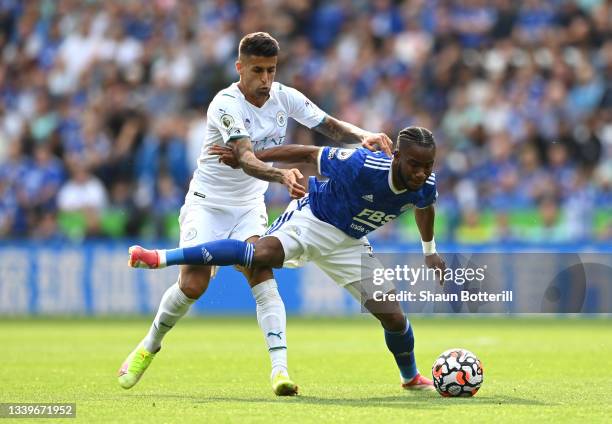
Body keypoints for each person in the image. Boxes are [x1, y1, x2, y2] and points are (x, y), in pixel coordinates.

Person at [118, 31, 392, 396]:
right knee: (193, 285)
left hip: (249, 207)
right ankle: (149, 345)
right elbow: (245, 158)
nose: (265, 80)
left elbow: (327, 125)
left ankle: (280, 372)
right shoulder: (225, 104)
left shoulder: (284, 97)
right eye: (258, 71)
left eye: (271, 71)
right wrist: (281, 175)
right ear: (240, 68)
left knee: (261, 271)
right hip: (208, 203)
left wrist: (363, 135)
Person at [128, 126, 446, 391]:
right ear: (397, 157)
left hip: (349, 243)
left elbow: (425, 207)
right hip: (312, 219)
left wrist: (429, 252)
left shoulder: (426, 184)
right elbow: (307, 154)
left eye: (428, 165)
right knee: (259, 255)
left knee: (393, 317)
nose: (421, 173)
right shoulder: (363, 165)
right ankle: (160, 257)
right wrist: (249, 158)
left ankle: (410, 378)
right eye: (414, 165)